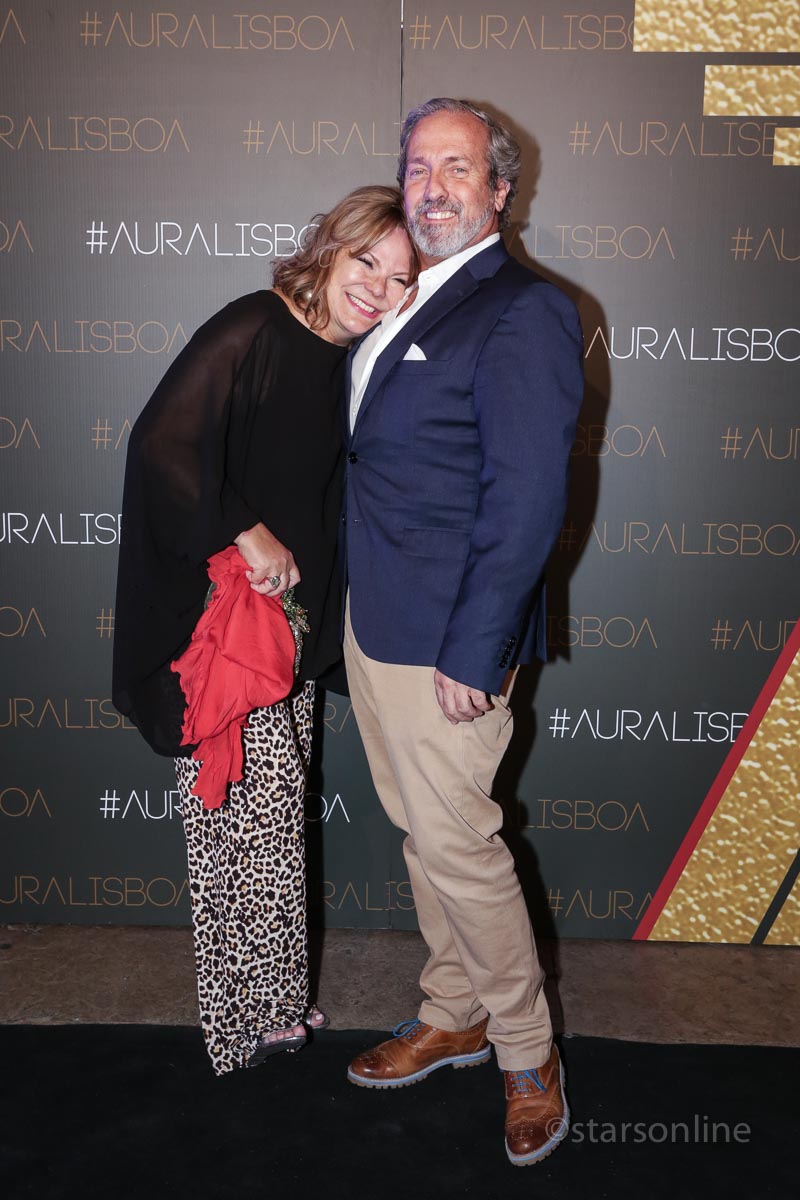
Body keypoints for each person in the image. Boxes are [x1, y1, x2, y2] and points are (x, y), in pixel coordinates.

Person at [112, 186, 415, 1075]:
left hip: (293, 631)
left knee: (274, 826)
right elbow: (160, 444)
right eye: (366, 261)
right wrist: (244, 529)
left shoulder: (349, 360)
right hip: (227, 629)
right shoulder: (256, 325)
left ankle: (274, 1000)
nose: (377, 288)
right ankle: (239, 1018)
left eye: (399, 277)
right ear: (329, 249)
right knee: (236, 831)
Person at [342, 100, 584, 1165]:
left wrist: (474, 649)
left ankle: (527, 1053)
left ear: (499, 189)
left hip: (447, 639)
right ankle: (454, 1011)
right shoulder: (404, 299)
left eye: (456, 167)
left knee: (458, 845)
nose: (432, 186)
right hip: (375, 620)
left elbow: (526, 500)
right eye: (417, 167)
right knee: (423, 833)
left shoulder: (523, 310)